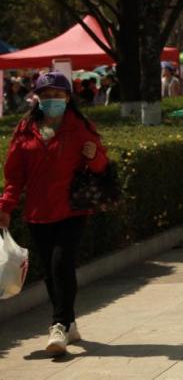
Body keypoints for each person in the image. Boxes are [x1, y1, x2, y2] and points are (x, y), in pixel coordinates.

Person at [0, 72, 108, 356]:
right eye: (45, 96)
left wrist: (93, 154)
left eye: (57, 96)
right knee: (51, 271)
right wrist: (6, 207)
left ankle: (58, 324)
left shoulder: (81, 127)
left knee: (61, 264)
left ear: (68, 98)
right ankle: (70, 321)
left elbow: (101, 165)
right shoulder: (25, 129)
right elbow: (14, 176)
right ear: (37, 98)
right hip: (38, 213)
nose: (51, 101)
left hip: (71, 210)